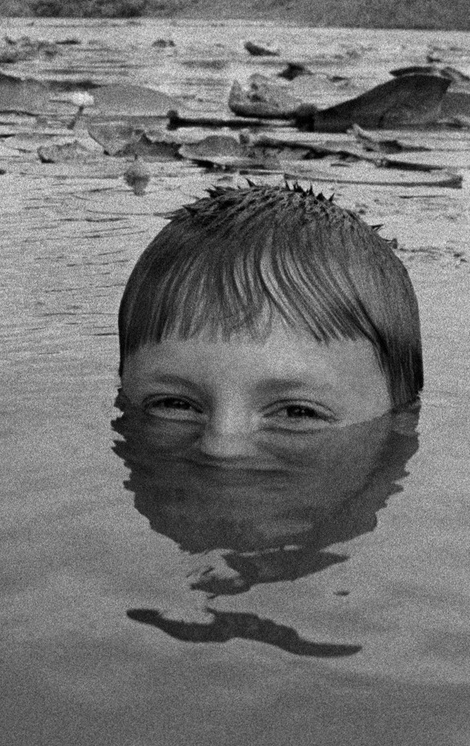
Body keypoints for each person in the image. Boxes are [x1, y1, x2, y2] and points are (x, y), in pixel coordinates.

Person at [113, 183, 422, 650]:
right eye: (175, 405)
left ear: (403, 428)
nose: (222, 447)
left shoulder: (403, 612)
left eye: (296, 412)